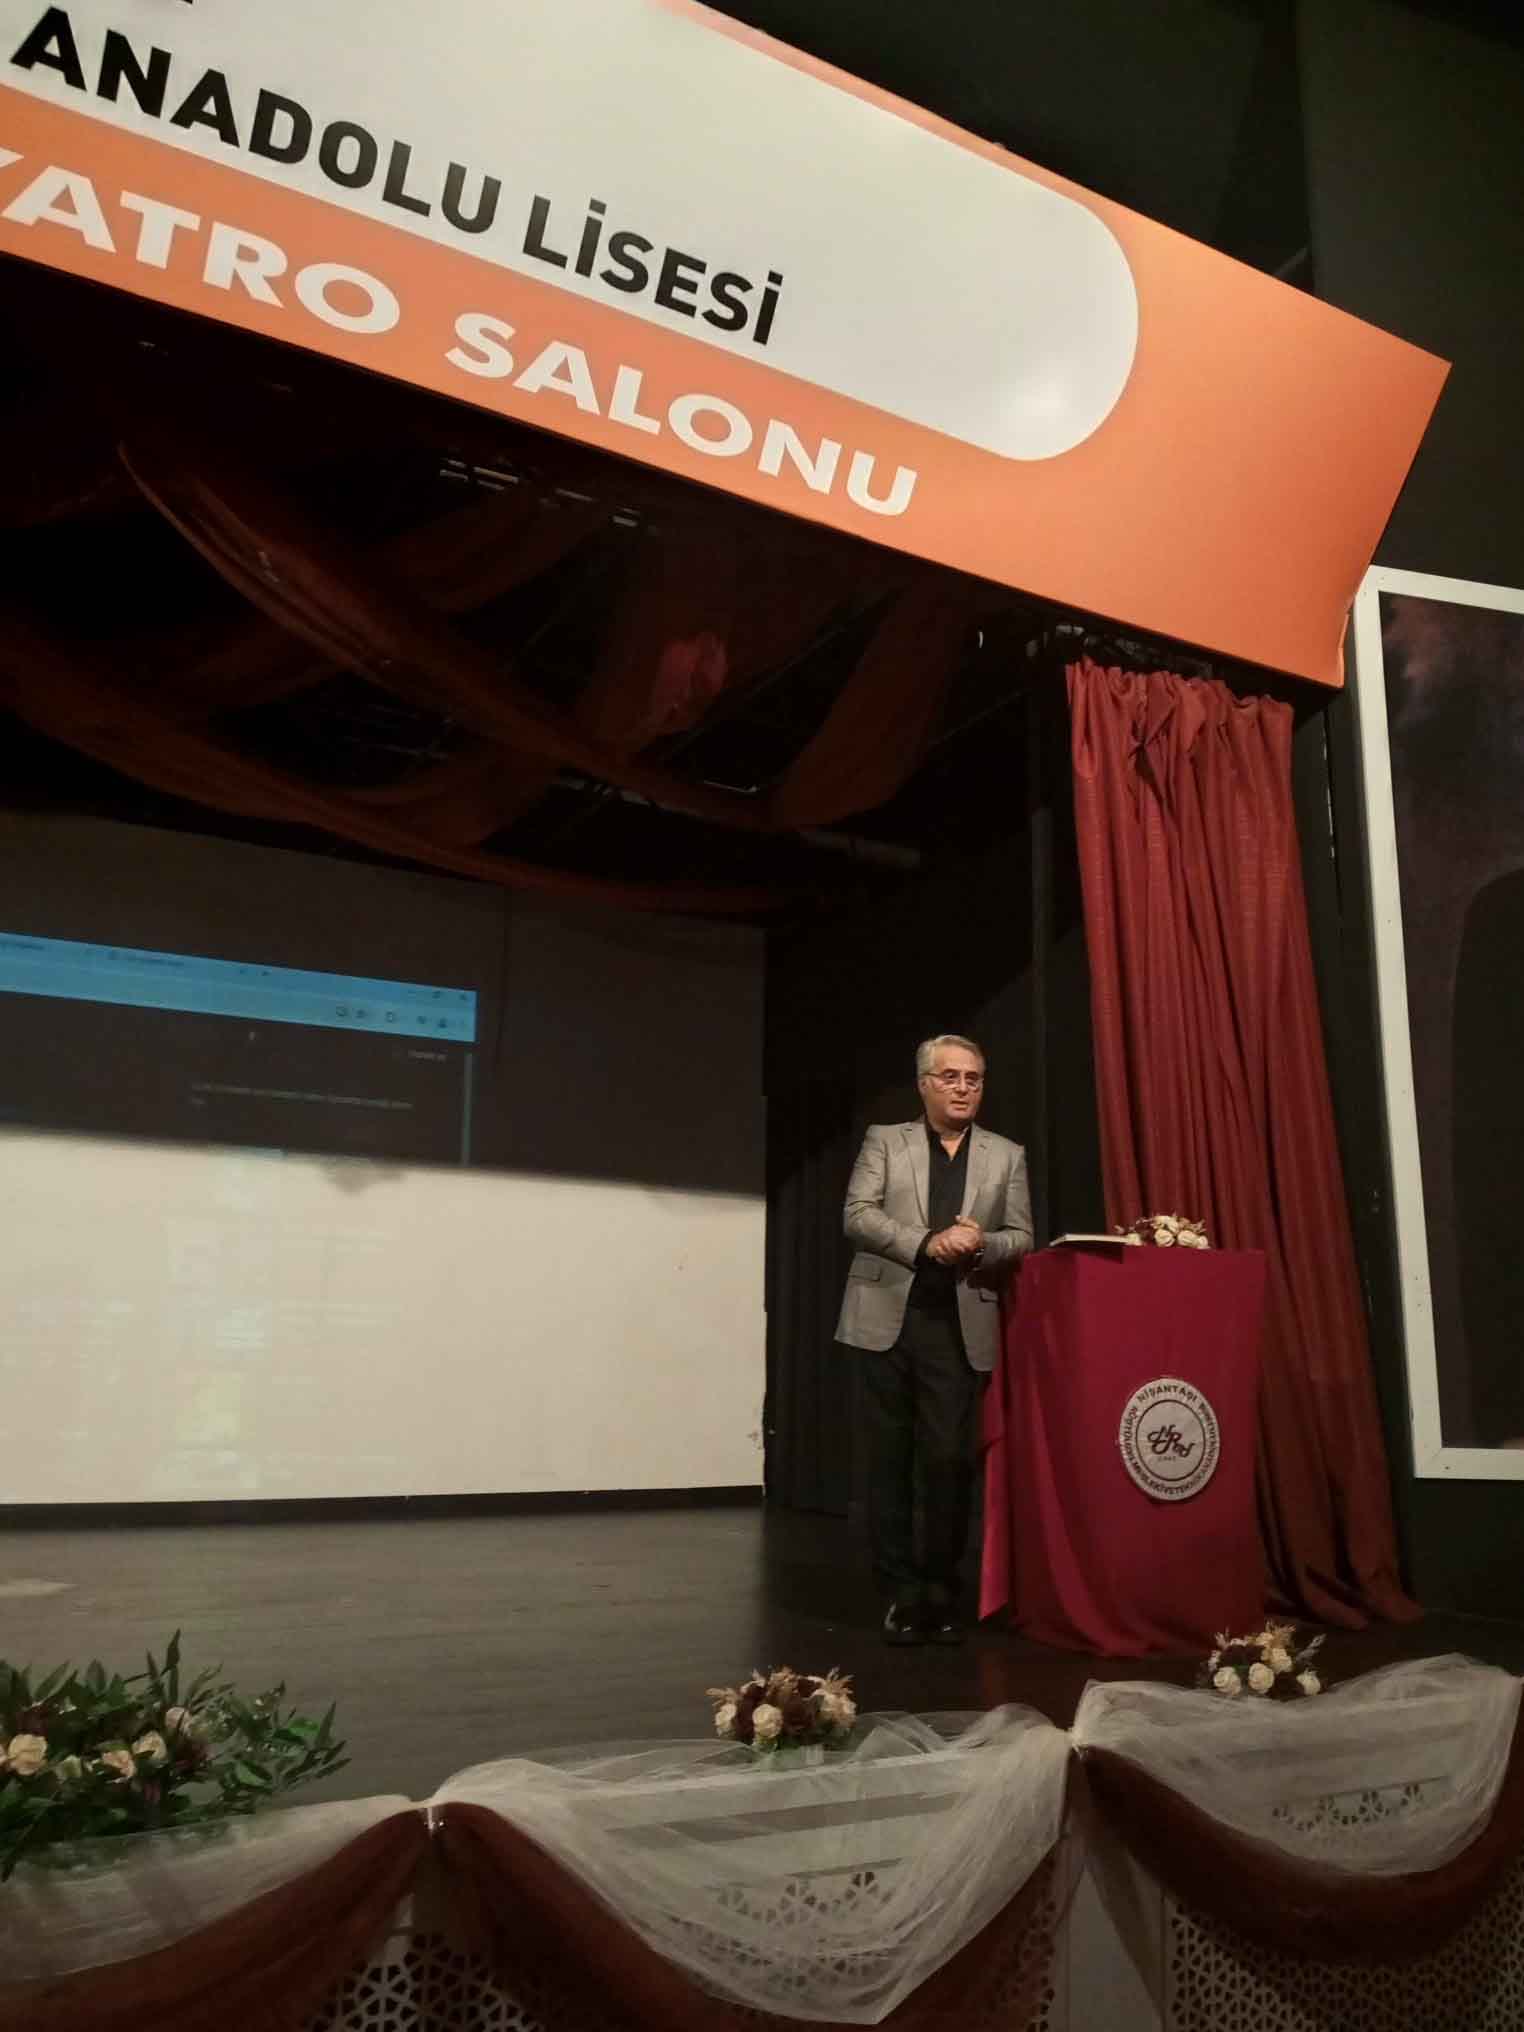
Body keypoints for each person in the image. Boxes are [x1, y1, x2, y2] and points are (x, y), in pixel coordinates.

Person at [836, 1034, 1033, 1645]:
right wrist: (926, 1242)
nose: (963, 1088)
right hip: (885, 1321)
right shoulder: (884, 1140)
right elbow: (857, 1214)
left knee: (948, 1463)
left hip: (958, 1326)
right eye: (950, 1077)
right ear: (924, 1084)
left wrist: (982, 1242)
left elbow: (1022, 1235)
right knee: (888, 1463)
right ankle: (901, 1593)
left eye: (973, 1078)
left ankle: (941, 1589)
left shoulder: (1006, 1155)